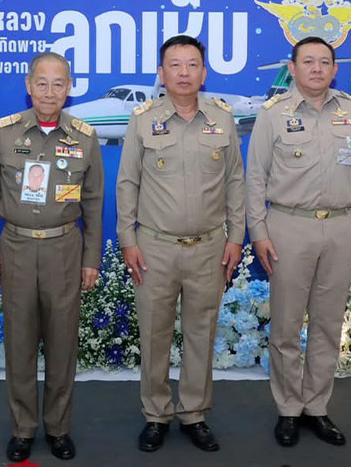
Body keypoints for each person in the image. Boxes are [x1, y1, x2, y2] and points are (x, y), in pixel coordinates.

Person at [116, 35, 246, 453]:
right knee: (154, 334)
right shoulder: (142, 120)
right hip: (154, 248)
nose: (184, 72)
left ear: (204, 72)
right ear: (161, 73)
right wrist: (127, 240)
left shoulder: (222, 120)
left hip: (209, 247)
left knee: (201, 333)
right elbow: (127, 183)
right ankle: (156, 414)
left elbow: (235, 183)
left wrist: (236, 236)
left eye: (193, 65)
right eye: (175, 65)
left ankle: (194, 413)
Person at [246, 36, 351, 447]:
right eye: (308, 62)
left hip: (339, 227)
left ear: (335, 69)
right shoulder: (273, 114)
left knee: (327, 324)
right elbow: (256, 177)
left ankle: (316, 407)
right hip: (288, 226)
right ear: (294, 67)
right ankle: (287, 409)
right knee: (285, 325)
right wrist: (259, 232)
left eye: (325, 62)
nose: (317, 68)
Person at [0, 52, 103, 462]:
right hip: (14, 248)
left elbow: (94, 204)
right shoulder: (5, 132)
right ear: (28, 85)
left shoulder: (85, 136)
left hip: (64, 249)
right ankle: (23, 427)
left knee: (63, 343)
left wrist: (91, 260)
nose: (50, 92)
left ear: (69, 88)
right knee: (19, 344)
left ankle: (59, 427)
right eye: (42, 83)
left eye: (58, 84)